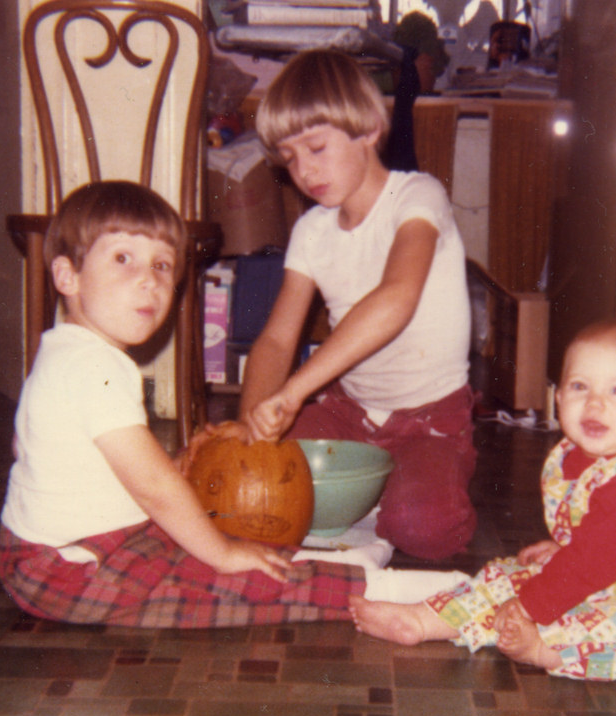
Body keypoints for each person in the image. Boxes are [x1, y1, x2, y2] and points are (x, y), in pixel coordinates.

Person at [0, 181, 463, 628]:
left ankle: (338, 563)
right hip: (72, 571)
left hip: (63, 550)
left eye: (162, 266)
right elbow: (154, 487)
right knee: (246, 582)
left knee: (211, 530)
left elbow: (25, 444)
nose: (149, 282)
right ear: (66, 275)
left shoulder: (62, 349)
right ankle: (416, 591)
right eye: (123, 259)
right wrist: (221, 553)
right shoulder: (91, 367)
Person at [194, 49, 476, 561]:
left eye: (316, 148)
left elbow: (396, 300)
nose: (304, 170)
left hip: (431, 419)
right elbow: (279, 339)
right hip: (349, 414)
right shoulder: (311, 231)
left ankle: (414, 485)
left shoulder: (418, 198)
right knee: (258, 486)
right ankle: (371, 494)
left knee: (423, 530)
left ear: (368, 127)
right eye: (290, 157)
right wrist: (253, 420)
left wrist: (295, 392)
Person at [349, 319, 616, 681]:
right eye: (579, 387)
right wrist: (561, 549)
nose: (594, 404)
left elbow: (592, 563)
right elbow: (594, 541)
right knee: (509, 577)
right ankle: (424, 620)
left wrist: (530, 606)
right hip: (600, 576)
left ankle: (545, 650)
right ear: (558, 398)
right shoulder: (576, 454)